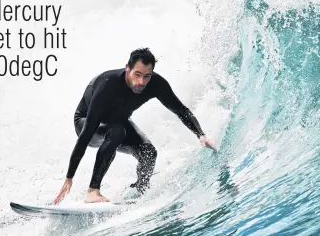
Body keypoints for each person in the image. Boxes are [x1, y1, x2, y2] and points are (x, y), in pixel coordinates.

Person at [53, 48, 216, 204]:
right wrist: (69, 177)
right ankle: (92, 191)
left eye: (147, 76)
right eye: (137, 74)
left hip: (118, 122)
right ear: (127, 69)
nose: (141, 82)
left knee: (149, 152)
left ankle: (140, 191)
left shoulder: (155, 84)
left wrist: (201, 135)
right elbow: (87, 132)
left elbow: (181, 109)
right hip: (86, 123)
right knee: (117, 132)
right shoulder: (107, 84)